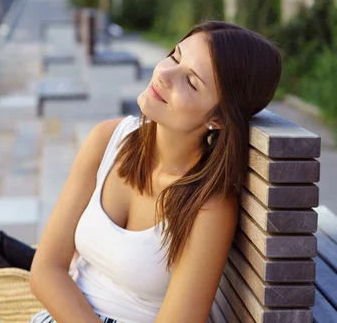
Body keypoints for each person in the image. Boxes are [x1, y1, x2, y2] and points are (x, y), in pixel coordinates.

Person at [29, 21, 282, 323]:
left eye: (191, 81)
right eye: (175, 57)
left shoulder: (209, 208)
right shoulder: (107, 140)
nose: (163, 73)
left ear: (218, 118)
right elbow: (46, 270)